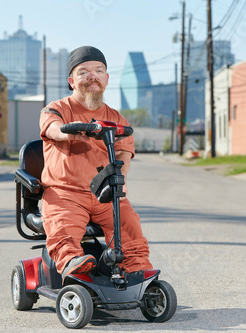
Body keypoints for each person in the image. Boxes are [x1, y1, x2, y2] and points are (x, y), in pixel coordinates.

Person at [39, 46, 153, 280]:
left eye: (99, 70)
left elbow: (124, 150)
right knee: (63, 222)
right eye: (83, 72)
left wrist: (119, 179)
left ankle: (137, 269)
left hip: (103, 192)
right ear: (72, 81)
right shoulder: (57, 109)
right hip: (65, 192)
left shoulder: (116, 118)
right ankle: (73, 262)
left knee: (128, 221)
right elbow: (51, 127)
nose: (93, 76)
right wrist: (69, 132)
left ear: (106, 79)